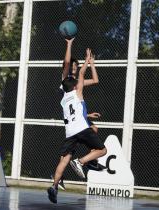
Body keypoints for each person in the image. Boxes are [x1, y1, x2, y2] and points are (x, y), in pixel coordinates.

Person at [47, 49, 107, 203]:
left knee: (65, 159)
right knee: (102, 149)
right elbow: (80, 74)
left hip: (71, 131)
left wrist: (87, 115)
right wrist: (88, 61)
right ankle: (82, 162)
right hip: (80, 128)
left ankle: (54, 186)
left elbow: (72, 111)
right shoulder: (72, 85)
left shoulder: (64, 98)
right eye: (72, 68)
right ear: (74, 86)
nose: (73, 69)